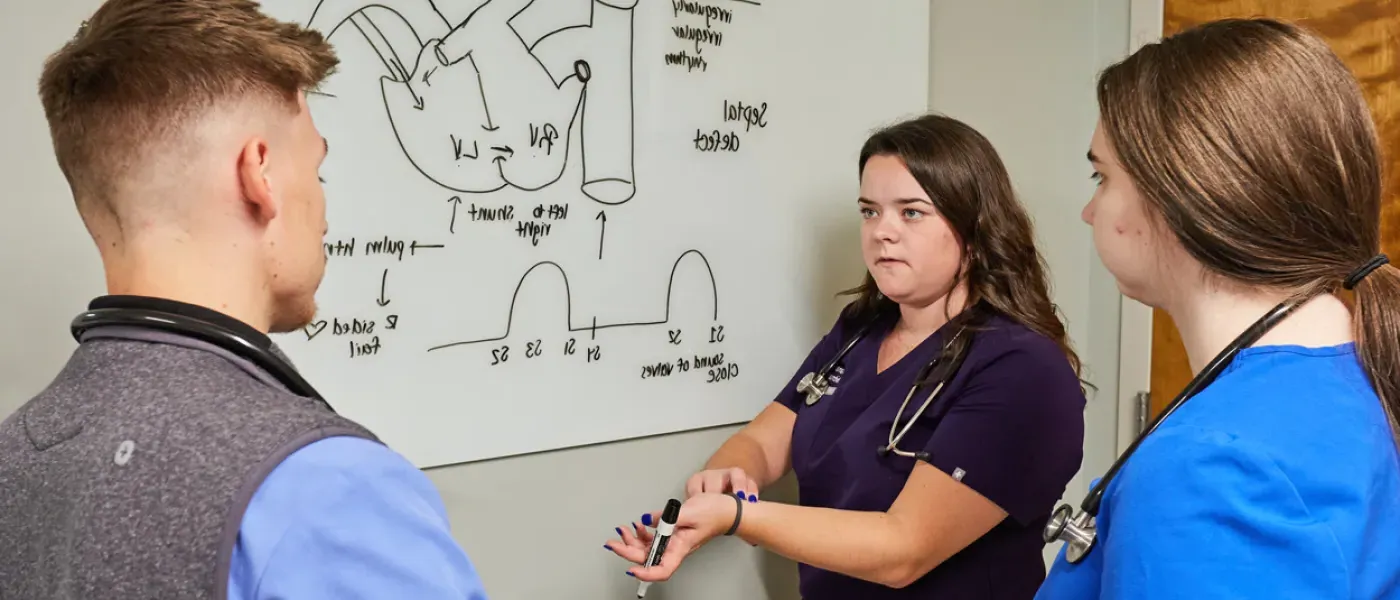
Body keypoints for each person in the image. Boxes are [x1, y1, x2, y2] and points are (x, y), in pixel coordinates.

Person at [0, 1, 490, 598]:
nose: (325, 210)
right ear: (258, 173)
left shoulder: (16, 452)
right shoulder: (331, 490)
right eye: (318, 174)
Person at [606, 113, 1089, 598]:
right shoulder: (860, 332)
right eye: (869, 211)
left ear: (975, 226)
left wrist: (737, 517)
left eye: (912, 212)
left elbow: (903, 550)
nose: (883, 232)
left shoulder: (1022, 370)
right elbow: (763, 442)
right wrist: (724, 479)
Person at [1035, 17, 1400, 599]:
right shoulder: (1356, 368)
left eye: (1100, 176)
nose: (1089, 211)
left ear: (1181, 198)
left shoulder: (1211, 472)